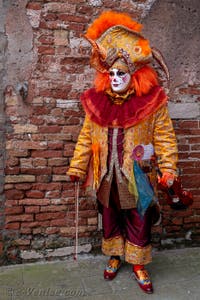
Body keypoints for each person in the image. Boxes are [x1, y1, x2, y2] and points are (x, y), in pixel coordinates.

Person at [67, 11, 178, 294]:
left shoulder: (152, 104)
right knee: (110, 214)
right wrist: (78, 167)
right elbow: (85, 137)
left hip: (137, 173)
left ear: (135, 75)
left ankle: (139, 263)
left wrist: (169, 170)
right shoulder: (97, 103)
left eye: (122, 73)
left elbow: (165, 137)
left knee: (138, 217)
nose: (115, 77)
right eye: (112, 73)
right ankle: (115, 256)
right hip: (106, 172)